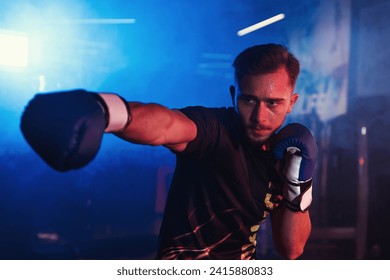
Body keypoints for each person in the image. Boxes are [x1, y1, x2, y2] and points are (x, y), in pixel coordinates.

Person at [20, 43, 317, 260]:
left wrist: (298, 183)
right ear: (233, 95)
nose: (260, 117)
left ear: (292, 102)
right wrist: (104, 110)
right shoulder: (215, 129)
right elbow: (165, 125)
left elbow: (292, 249)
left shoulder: (287, 153)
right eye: (249, 100)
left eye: (274, 103)